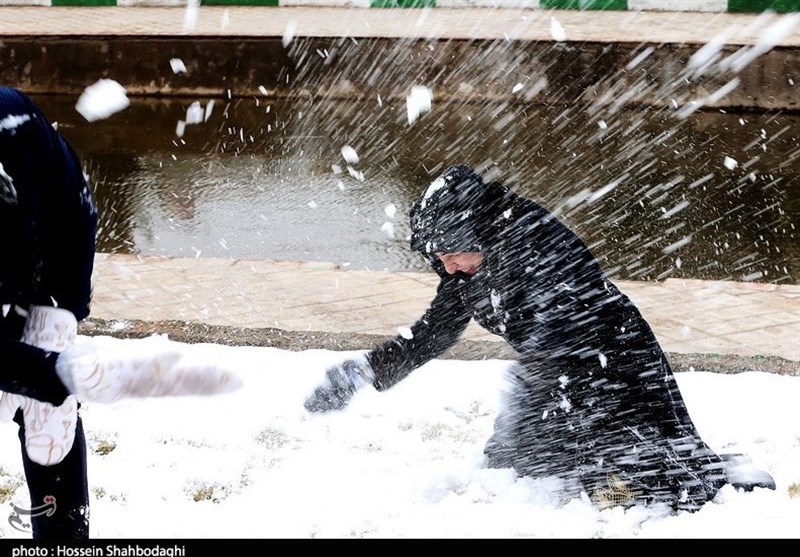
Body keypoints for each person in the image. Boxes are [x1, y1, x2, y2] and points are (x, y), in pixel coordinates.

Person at [304, 163, 776, 512]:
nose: (447, 266)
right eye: (437, 256)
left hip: (611, 356)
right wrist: (364, 369)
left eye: (452, 254)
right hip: (551, 366)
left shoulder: (538, 244)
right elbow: (437, 328)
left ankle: (729, 492)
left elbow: (562, 341)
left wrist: (535, 402)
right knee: (520, 464)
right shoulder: (465, 261)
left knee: (639, 478)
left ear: (480, 232)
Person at [0, 86, 242, 539]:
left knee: (50, 427)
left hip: (36, 260)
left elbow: (73, 208)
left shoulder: (13, 122)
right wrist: (54, 373)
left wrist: (61, 314)